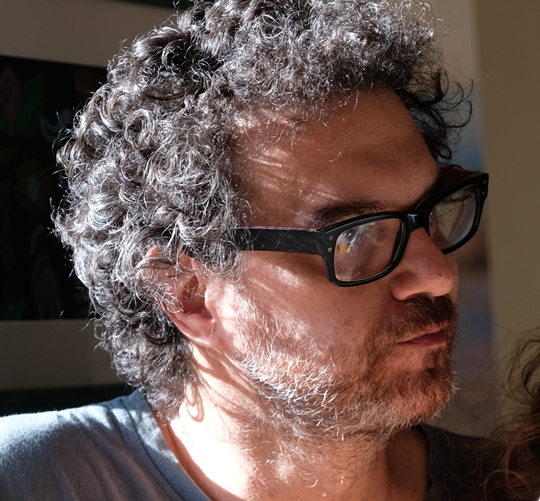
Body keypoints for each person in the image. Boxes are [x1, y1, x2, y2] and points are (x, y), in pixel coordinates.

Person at [0, 0, 510, 499]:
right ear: (188, 295)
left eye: (431, 212)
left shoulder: (511, 485)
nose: (438, 274)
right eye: (355, 235)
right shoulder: (27, 481)